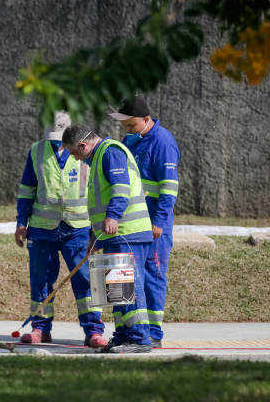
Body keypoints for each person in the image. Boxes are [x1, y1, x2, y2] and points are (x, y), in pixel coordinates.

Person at [15, 111, 107, 348]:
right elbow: (27, 189)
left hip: (78, 227)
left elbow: (99, 189)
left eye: (61, 138)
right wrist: (21, 222)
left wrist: (97, 227)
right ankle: (40, 328)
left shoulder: (88, 153)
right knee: (41, 280)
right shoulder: (37, 150)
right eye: (53, 138)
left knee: (85, 281)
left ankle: (93, 330)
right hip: (43, 228)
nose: (57, 142)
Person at [62, 124, 153, 353]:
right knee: (117, 289)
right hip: (112, 235)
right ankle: (123, 336)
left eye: (74, 153)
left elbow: (120, 189)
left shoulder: (110, 152)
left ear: (83, 145)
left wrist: (113, 216)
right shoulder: (97, 159)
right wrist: (94, 236)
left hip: (127, 231)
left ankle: (139, 339)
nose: (75, 158)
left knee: (128, 285)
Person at [109, 96, 180, 348]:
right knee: (125, 276)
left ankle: (153, 334)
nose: (126, 131)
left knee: (152, 277)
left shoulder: (162, 142)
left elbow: (169, 187)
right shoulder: (131, 140)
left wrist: (159, 221)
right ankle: (127, 331)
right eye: (124, 126)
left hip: (153, 226)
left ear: (147, 120)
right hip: (132, 224)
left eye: (131, 125)